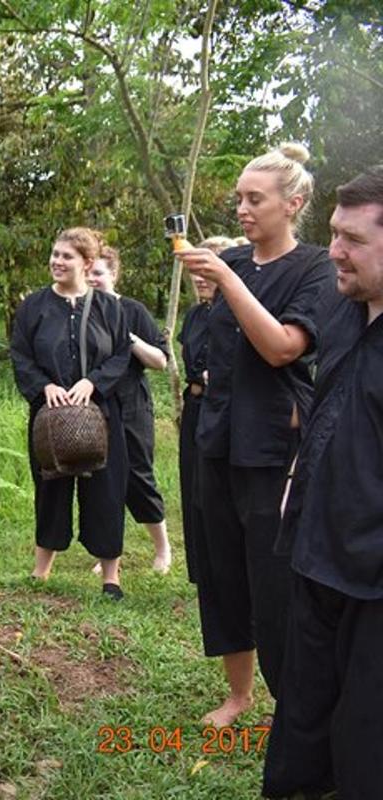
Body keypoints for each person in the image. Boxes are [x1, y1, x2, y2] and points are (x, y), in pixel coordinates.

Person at [176, 143, 334, 726]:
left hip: (273, 449)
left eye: (254, 199)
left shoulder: (314, 267)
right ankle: (240, 695)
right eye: (239, 198)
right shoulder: (235, 262)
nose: (241, 208)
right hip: (216, 440)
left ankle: (295, 704)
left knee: (275, 579)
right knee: (221, 572)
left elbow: (282, 347)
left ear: (292, 204)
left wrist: (225, 278)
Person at [262, 166, 383, 800]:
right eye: (333, 233)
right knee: (300, 732)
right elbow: (325, 405)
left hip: (375, 583)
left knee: (366, 745)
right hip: (313, 556)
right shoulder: (339, 308)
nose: (333, 250)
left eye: (353, 240)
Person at [10, 227, 131, 599]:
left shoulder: (110, 308)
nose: (57, 262)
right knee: (50, 487)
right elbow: (21, 355)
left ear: (88, 263)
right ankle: (41, 570)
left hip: (101, 415)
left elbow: (121, 354)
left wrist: (93, 382)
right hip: (51, 414)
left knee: (107, 492)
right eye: (55, 254)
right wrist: (44, 386)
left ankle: (111, 577)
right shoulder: (34, 306)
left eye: (67, 256)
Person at [85, 245, 172, 574]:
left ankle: (163, 548)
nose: (92, 279)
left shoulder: (133, 310)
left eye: (98, 273)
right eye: (88, 272)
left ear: (114, 275)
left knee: (138, 475)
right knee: (102, 478)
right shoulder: (80, 311)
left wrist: (130, 339)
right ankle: (108, 551)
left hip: (132, 403)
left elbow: (161, 361)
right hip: (95, 406)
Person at [177, 236, 235, 584]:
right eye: (195, 270)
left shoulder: (236, 314)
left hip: (225, 409)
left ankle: (228, 569)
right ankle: (202, 572)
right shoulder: (196, 314)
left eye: (206, 269)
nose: (199, 277)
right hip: (195, 407)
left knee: (218, 491)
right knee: (193, 489)